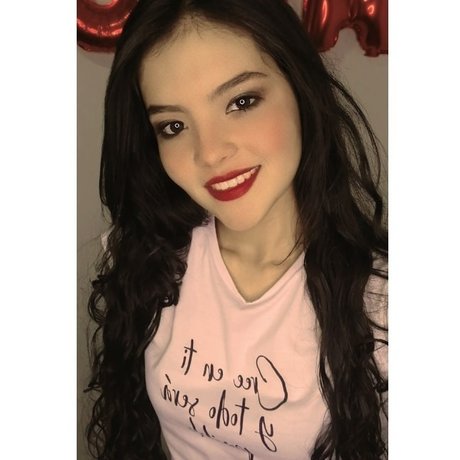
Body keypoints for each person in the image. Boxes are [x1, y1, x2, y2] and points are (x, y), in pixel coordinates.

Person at [85, 0, 388, 459]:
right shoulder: (146, 259)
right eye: (173, 126)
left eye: (241, 102)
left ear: (300, 87)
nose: (210, 153)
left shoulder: (381, 306)